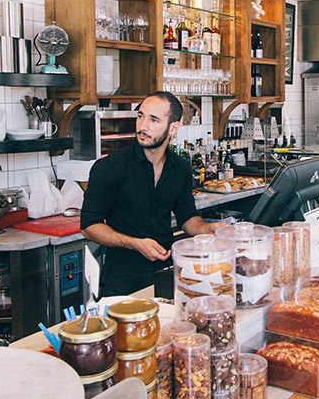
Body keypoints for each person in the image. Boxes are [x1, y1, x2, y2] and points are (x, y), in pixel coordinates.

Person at [81, 92, 225, 296]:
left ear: (173, 127)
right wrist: (135, 243)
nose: (142, 126)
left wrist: (206, 229)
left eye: (153, 119)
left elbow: (187, 217)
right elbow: (88, 226)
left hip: (167, 275)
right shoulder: (110, 167)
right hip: (122, 283)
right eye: (140, 116)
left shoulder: (180, 168)